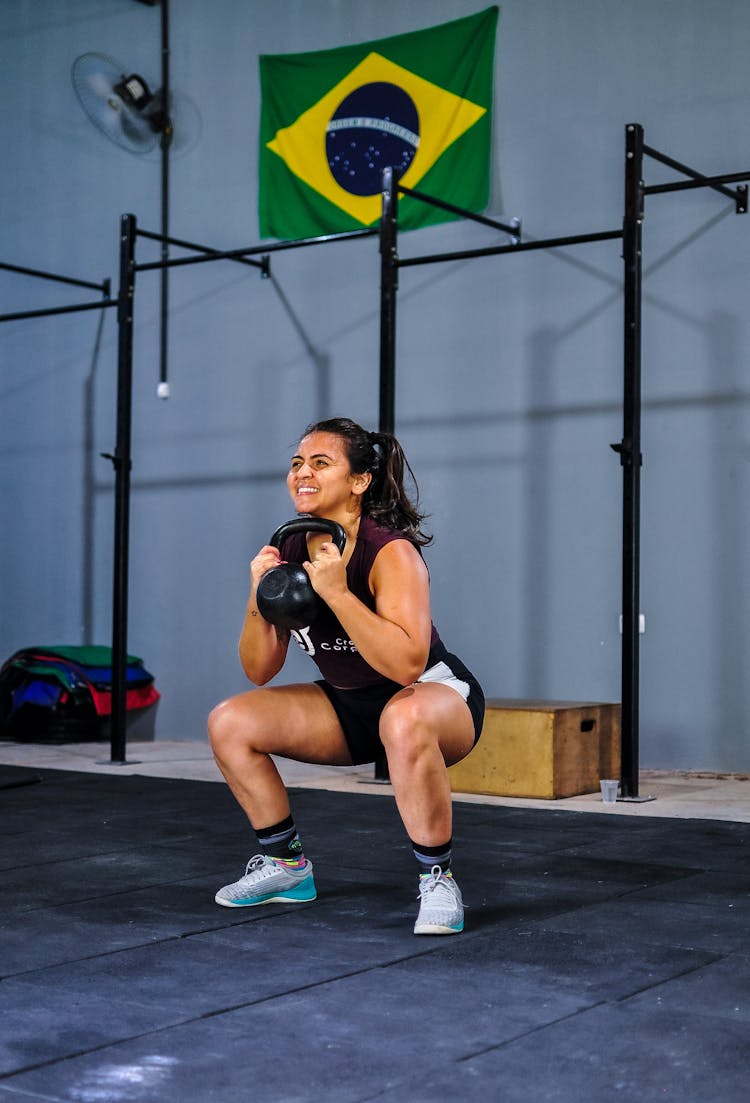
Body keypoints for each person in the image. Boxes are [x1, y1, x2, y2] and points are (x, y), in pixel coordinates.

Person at [208, 417, 485, 935]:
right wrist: (257, 592)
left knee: (402, 718)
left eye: (320, 463)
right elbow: (259, 669)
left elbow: (406, 667)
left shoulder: (390, 551)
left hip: (432, 698)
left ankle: (438, 880)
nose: (301, 474)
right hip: (351, 705)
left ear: (359, 481)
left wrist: (336, 593)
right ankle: (286, 869)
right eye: (296, 464)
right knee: (230, 722)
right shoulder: (291, 548)